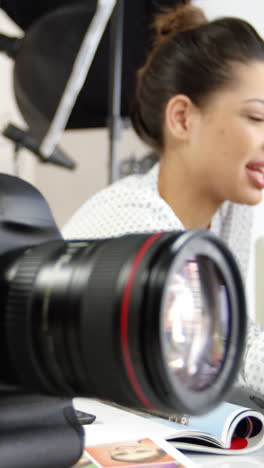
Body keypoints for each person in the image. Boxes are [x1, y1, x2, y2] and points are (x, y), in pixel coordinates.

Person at [63, 1, 264, 403]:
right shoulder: (131, 221)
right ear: (183, 119)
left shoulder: (233, 209)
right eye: (257, 119)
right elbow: (213, 354)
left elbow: (236, 335)